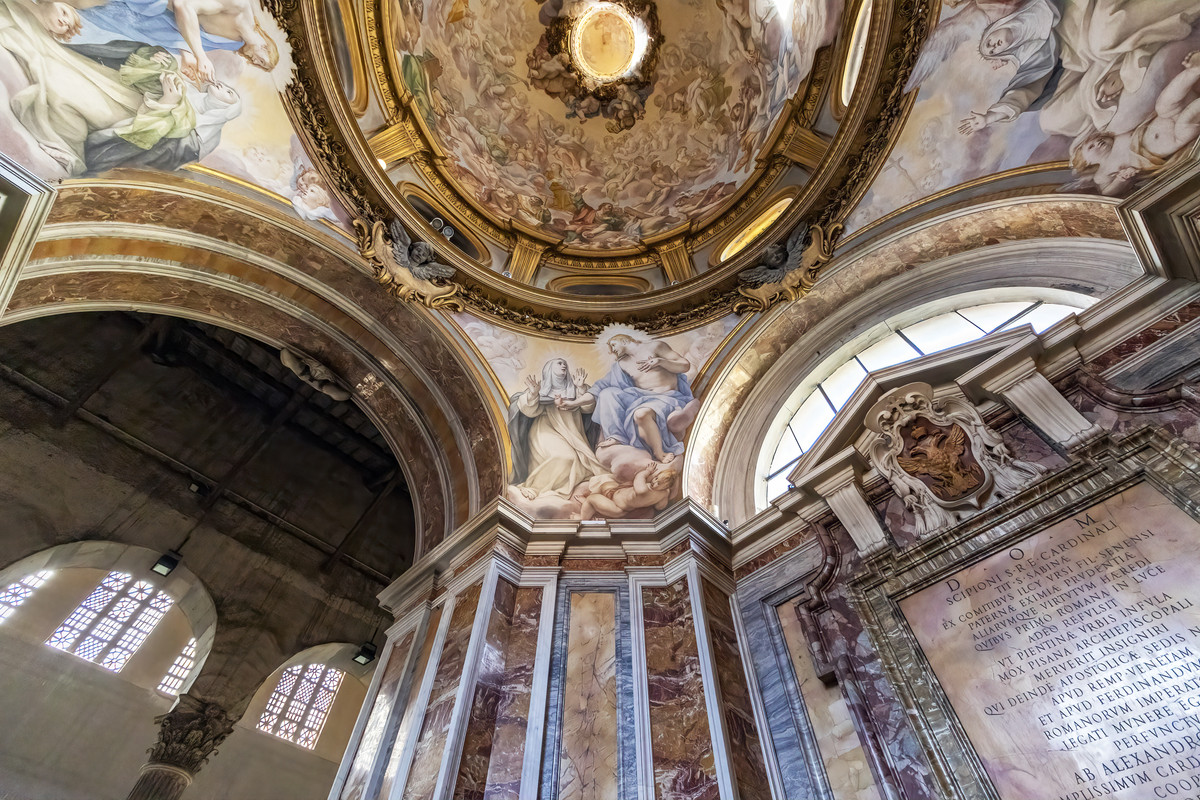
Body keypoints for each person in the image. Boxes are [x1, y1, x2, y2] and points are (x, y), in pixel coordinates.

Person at [1068, 51, 1200, 195]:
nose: (1097, 142)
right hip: (1175, 137)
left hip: (1165, 116)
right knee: (1187, 120)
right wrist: (1120, 179)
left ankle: (1194, 71)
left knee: (1164, 103)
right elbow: (1107, 193)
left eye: (1095, 140)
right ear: (1087, 163)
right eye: (1091, 147)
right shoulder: (1103, 173)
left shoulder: (1118, 136)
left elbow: (1124, 118)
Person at [559, 333, 700, 464]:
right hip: (642, 399)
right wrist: (574, 403)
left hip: (668, 397)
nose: (612, 350)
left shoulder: (655, 347)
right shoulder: (622, 365)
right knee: (607, 393)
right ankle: (616, 436)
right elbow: (599, 388)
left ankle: (660, 452)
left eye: (613, 345)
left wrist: (661, 362)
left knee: (641, 414)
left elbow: (684, 365)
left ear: (625, 340)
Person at [507, 358, 606, 501]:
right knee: (565, 457)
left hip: (571, 433)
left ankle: (556, 491)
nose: (563, 365)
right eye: (559, 363)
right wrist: (534, 394)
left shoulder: (576, 389)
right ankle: (533, 487)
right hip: (546, 430)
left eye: (565, 363)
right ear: (549, 369)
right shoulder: (542, 390)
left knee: (582, 465)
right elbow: (529, 411)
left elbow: (588, 409)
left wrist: (581, 388)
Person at [577, 463, 677, 520]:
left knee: (592, 499)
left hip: (617, 507)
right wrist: (665, 494)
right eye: (656, 479)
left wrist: (647, 472)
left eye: (659, 484)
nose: (654, 483)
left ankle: (583, 518)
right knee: (605, 485)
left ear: (666, 487)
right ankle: (588, 503)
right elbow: (660, 506)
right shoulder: (663, 493)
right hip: (615, 493)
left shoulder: (643, 490)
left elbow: (639, 480)